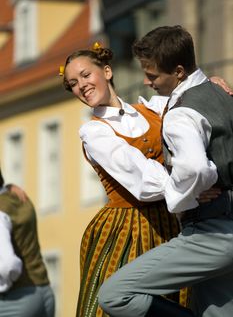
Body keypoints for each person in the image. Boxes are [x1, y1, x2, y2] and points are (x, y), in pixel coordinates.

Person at [97, 25, 233, 317]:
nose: (146, 81)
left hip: (212, 234)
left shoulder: (181, 114)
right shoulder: (222, 94)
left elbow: (195, 169)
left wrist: (182, 195)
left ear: (179, 71)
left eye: (153, 75)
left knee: (115, 295)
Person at [61, 43, 189, 317]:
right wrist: (192, 186)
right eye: (73, 83)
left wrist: (213, 84)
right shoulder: (95, 133)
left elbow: (192, 101)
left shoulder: (152, 109)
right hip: (124, 229)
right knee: (120, 305)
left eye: (85, 75)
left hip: (169, 222)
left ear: (106, 71)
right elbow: (144, 183)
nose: (81, 86)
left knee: (173, 302)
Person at [0, 167, 55, 317]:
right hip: (45, 293)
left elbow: (7, 265)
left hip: (18, 299)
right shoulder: (17, 197)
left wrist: (5, 286)